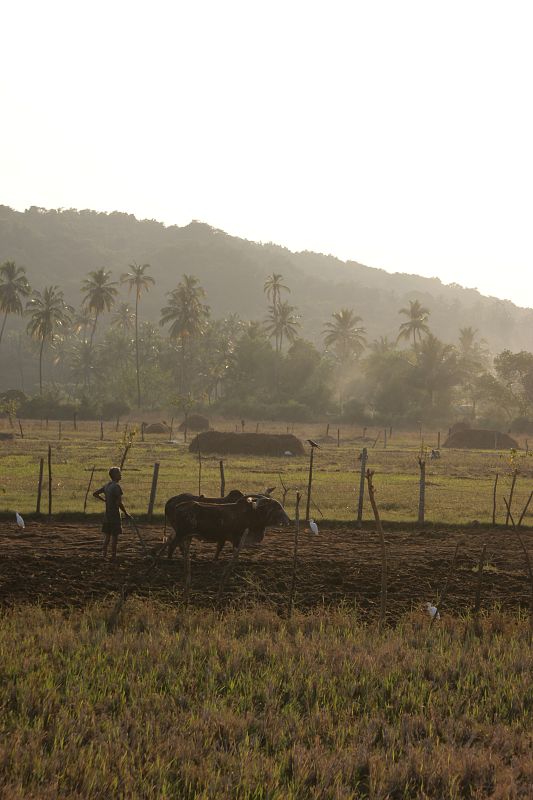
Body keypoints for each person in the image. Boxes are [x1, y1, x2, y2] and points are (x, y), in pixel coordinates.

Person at [93, 467, 130, 560]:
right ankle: (113, 556)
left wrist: (105, 500)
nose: (120, 475)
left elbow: (95, 494)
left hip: (107, 515)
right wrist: (126, 513)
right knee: (115, 537)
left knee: (107, 536)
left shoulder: (107, 485)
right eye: (118, 473)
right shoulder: (116, 487)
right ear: (114, 475)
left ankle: (104, 555)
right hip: (115, 515)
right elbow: (119, 503)